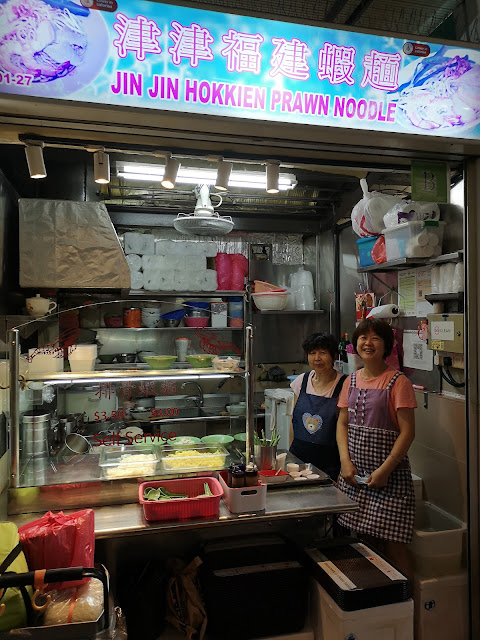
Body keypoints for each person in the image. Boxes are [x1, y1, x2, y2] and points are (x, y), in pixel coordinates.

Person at [336, 318, 416, 575]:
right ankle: (377, 603)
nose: (367, 343)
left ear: (386, 346)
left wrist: (384, 471)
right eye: (362, 337)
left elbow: (408, 433)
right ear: (355, 344)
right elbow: (342, 424)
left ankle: (407, 602)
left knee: (395, 545)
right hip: (355, 476)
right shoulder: (351, 380)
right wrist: (345, 463)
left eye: (375, 338)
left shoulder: (398, 381)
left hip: (389, 477)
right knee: (363, 542)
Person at [290, 333, 347, 479]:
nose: (317, 358)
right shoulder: (301, 381)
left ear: (334, 355)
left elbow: (346, 427)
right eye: (312, 353)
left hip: (330, 462)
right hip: (299, 458)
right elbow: (294, 419)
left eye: (323, 353)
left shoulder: (344, 384)